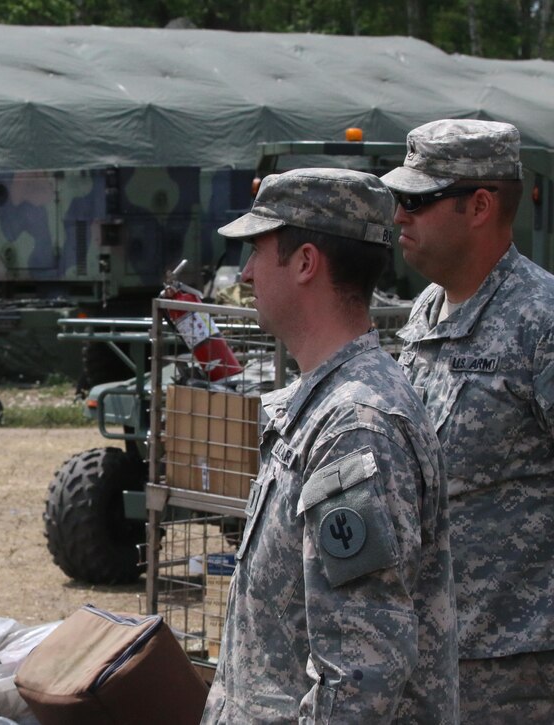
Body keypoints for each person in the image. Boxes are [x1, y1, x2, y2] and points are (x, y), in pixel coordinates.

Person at [200, 169, 457, 723]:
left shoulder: (355, 425)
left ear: (305, 263)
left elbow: (360, 673)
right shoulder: (325, 406)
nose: (246, 274)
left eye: (258, 251)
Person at [382, 119, 554, 721]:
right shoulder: (426, 310)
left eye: (417, 200)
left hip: (516, 672)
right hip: (429, 653)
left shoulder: (542, 323)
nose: (399, 215)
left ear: (479, 205)